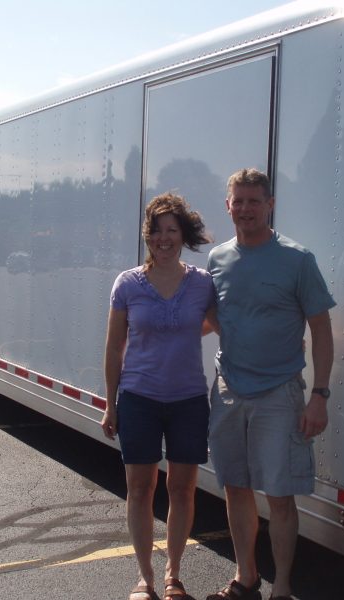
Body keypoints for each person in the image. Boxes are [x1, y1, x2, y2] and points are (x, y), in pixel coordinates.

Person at [206, 169, 335, 600]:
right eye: (238, 201)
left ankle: (281, 586)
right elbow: (215, 316)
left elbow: (321, 328)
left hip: (279, 393)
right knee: (236, 487)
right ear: (228, 206)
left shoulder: (297, 260)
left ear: (270, 205)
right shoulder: (217, 259)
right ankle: (246, 579)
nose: (245, 209)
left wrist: (319, 395)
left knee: (280, 494)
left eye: (254, 201)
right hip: (228, 391)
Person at [102, 192, 216, 600]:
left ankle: (173, 575)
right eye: (157, 231)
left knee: (182, 490)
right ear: (147, 235)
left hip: (188, 401)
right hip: (139, 398)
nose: (164, 238)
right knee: (140, 490)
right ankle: (145, 578)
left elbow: (224, 325)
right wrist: (110, 404)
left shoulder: (201, 283)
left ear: (183, 235)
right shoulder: (127, 284)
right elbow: (114, 347)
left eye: (172, 230)